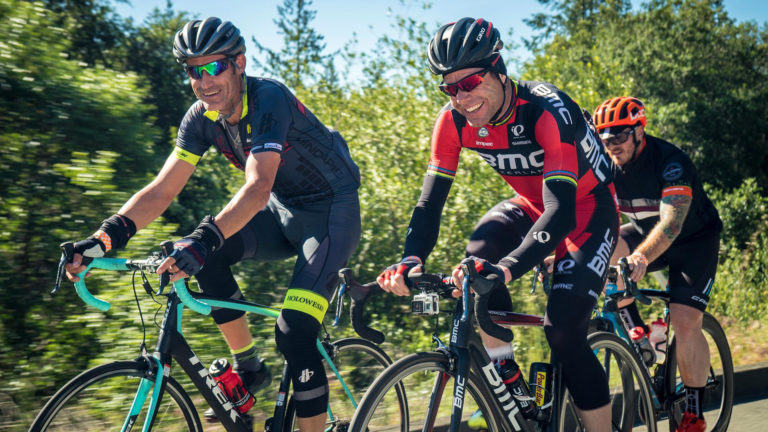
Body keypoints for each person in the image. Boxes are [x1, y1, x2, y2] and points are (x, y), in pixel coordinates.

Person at [64, 17, 361, 431]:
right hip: (282, 211)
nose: (203, 82)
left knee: (294, 332)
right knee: (201, 254)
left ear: (239, 63)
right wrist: (102, 240)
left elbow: (257, 188)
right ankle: (249, 369)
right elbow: (161, 191)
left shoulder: (268, 97)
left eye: (213, 68)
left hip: (331, 214)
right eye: (192, 71)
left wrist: (203, 239)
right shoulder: (200, 118)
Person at [377, 17, 618, 431]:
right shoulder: (452, 122)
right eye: (450, 88)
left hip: (586, 211)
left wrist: (506, 269)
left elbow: (561, 212)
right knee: (475, 263)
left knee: (562, 331)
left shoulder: (544, 111)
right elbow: (429, 203)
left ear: (498, 69)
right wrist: (410, 259)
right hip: (531, 204)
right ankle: (511, 385)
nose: (461, 98)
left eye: (469, 83)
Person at [593, 96, 722, 432]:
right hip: (643, 233)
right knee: (603, 248)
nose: (612, 145)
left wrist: (640, 257)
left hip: (693, 241)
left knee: (684, 320)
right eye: (605, 139)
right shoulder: (606, 163)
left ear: (639, 130)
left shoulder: (671, 162)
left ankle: (693, 412)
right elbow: (588, 216)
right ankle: (636, 331)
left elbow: (672, 223)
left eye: (619, 136)